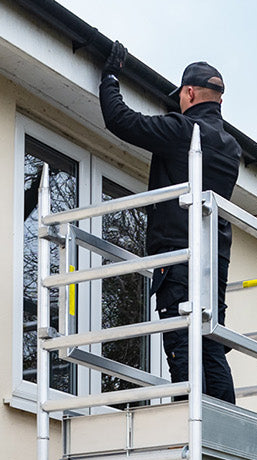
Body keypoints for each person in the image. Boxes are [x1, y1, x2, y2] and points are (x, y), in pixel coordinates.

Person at [98, 46, 241, 402]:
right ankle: (223, 425)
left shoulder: (184, 132)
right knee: (209, 342)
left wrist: (110, 76)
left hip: (179, 257)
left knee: (181, 341)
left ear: (189, 93)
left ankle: (189, 423)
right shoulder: (230, 146)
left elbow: (121, 120)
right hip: (213, 261)